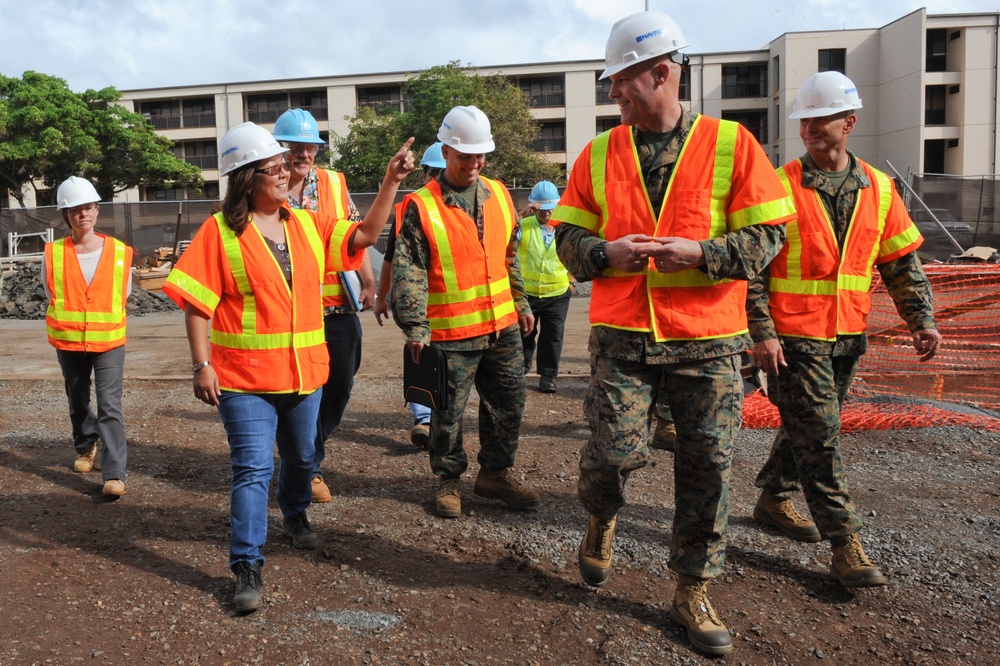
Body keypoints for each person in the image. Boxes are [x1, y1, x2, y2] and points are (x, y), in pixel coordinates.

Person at [552, 12, 794, 656]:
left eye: (622, 81)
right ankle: (601, 515)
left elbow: (770, 236)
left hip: (709, 341)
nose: (614, 94)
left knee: (708, 467)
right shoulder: (600, 154)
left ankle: (693, 587)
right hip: (623, 338)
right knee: (610, 456)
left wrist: (703, 254)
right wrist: (603, 253)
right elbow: (566, 241)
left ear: (662, 73)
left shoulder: (733, 145)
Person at [163, 121, 413, 613]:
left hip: (304, 374)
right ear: (246, 178)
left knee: (302, 458)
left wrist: (391, 181)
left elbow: (363, 234)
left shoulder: (305, 223)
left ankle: (294, 512)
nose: (284, 174)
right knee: (252, 468)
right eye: (272, 168)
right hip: (244, 379)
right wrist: (201, 366)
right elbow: (195, 303)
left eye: (282, 167)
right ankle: (247, 564)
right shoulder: (220, 232)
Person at [747, 71, 942, 589]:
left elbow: (900, 263)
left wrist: (920, 318)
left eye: (819, 118)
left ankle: (772, 497)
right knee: (821, 433)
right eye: (803, 120)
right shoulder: (779, 185)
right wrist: (761, 333)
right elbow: (753, 272)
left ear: (849, 122)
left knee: (810, 425)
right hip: (793, 339)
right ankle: (845, 543)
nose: (809, 128)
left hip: (848, 334)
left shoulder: (880, 188)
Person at [392, 105, 541, 519]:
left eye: (480, 155)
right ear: (445, 150)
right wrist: (416, 325)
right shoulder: (422, 205)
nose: (474, 163)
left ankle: (495, 473)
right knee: (447, 412)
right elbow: (409, 270)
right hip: (452, 332)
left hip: (502, 326)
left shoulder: (499, 194)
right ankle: (448, 477)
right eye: (465, 155)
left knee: (509, 403)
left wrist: (522, 302)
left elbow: (509, 257)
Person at [273, 108, 377, 504]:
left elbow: (355, 234)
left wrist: (368, 280)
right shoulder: (267, 187)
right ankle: (309, 464)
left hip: (336, 304)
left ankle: (306, 450)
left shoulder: (334, 183)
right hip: (289, 308)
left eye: (310, 147)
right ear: (279, 150)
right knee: (299, 389)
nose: (303, 154)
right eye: (294, 147)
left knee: (341, 383)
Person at [43, 176, 133, 499]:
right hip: (68, 341)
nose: (83, 214)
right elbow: (51, 292)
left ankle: (114, 474)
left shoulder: (121, 252)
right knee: (77, 397)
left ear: (97, 210)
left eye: (88, 208)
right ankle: (85, 446)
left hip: (109, 342)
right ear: (66, 215)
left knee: (110, 404)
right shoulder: (52, 253)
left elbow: (123, 295)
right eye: (75, 210)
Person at [373, 142, 446, 448]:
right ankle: (424, 419)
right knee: (419, 354)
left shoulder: (470, 205)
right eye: (434, 173)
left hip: (453, 302)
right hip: (416, 300)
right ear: (424, 174)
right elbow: (389, 257)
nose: (438, 179)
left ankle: (442, 420)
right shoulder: (408, 208)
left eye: (442, 173)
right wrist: (380, 296)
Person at [517, 180, 574, 394]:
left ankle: (548, 377)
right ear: (534, 207)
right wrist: (521, 215)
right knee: (525, 334)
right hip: (528, 294)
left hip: (558, 294)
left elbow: (573, 254)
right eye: (542, 209)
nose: (546, 213)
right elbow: (505, 237)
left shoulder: (564, 228)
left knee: (553, 337)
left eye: (550, 208)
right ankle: (520, 372)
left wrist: (571, 281)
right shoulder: (524, 225)